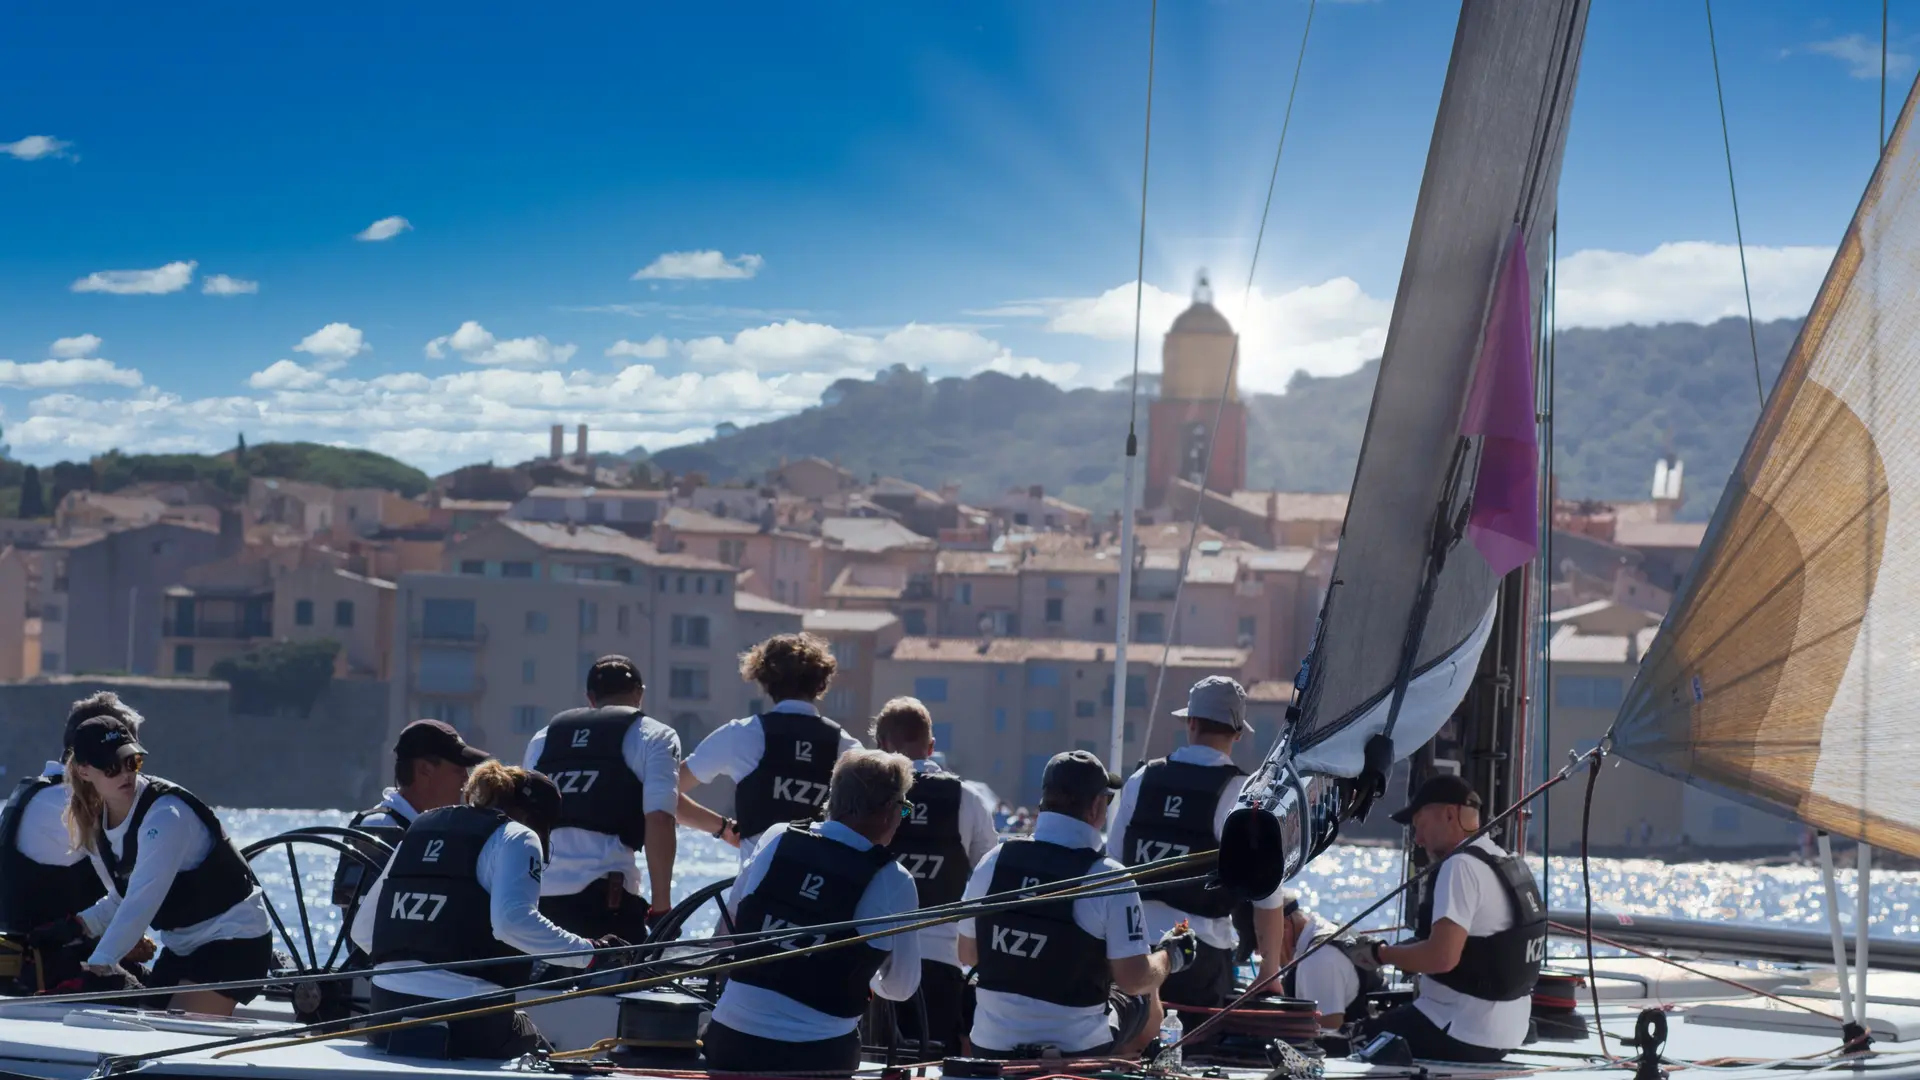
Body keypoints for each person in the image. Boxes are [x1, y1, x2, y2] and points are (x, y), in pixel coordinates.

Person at [357, 762, 622, 1060]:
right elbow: (511, 922)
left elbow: (363, 932)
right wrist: (589, 953)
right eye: (549, 828)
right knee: (543, 1048)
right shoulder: (519, 835)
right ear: (534, 817)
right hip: (468, 1021)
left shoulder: (419, 827)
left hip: (383, 1014)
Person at [960, 750, 1196, 1060]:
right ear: (1097, 806)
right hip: (1075, 1049)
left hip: (990, 1047)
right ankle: (1137, 1060)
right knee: (1144, 986)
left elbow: (967, 954)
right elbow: (1134, 979)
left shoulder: (994, 861)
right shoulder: (1109, 876)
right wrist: (1170, 956)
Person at [35, 715, 273, 1015]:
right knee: (143, 1021)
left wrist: (99, 964)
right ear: (84, 770)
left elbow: (141, 901)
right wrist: (78, 925)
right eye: (110, 767)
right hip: (183, 948)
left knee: (169, 1036)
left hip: (236, 941)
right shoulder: (97, 821)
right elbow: (122, 895)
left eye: (131, 762)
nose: (124, 774)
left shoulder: (165, 816)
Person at [705, 749, 922, 1075]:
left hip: (730, 1040)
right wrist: (855, 970)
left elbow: (732, 928)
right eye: (903, 809)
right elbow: (901, 988)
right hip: (818, 1056)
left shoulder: (777, 837)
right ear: (887, 811)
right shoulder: (895, 880)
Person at [1108, 676, 1294, 1007]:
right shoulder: (1245, 795)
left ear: (1190, 722)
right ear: (1237, 733)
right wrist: (1269, 970)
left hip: (1131, 952)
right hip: (1199, 956)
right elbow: (1267, 894)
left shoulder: (1140, 780)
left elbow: (1113, 869)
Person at [1343, 775, 1546, 1063]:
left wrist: (1379, 954)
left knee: (1353, 1039)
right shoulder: (1504, 860)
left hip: (1458, 1028)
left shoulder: (1460, 866)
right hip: (1506, 1033)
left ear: (1449, 815)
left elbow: (1442, 959)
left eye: (1420, 826)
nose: (1419, 840)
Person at [869, 697, 998, 1056]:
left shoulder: (865, 794)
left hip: (871, 958)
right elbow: (991, 876)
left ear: (882, 745)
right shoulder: (969, 799)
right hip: (942, 959)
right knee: (935, 1060)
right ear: (931, 746)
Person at [525, 656, 682, 941]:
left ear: (590, 698)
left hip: (537, 898)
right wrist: (662, 909)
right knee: (627, 983)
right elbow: (660, 817)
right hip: (606, 902)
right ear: (639, 693)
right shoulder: (656, 735)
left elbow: (521, 818)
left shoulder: (543, 738)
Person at [677, 633, 862, 864]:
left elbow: (660, 792)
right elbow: (899, 809)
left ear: (764, 682)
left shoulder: (739, 735)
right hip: (822, 892)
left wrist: (722, 827)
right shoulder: (849, 749)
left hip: (755, 893)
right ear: (821, 683)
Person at [0, 693, 138, 993]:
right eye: (121, 760)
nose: (130, 773)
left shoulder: (40, 791)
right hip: (42, 977)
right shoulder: (63, 802)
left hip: (48, 964)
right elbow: (141, 882)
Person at [334, 719, 492, 917]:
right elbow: (363, 917)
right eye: (458, 769)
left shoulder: (432, 829)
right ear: (425, 770)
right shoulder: (381, 828)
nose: (466, 779)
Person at [1279, 895, 1386, 1029]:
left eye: (1259, 940)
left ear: (1284, 927)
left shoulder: (1317, 959)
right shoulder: (1325, 929)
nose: (1258, 953)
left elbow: (1327, 1035)